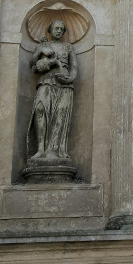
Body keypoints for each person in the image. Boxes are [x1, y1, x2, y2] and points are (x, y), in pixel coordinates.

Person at [28, 19, 77, 161]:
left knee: (59, 118)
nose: (59, 30)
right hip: (46, 81)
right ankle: (40, 149)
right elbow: (32, 65)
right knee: (40, 109)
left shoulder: (68, 47)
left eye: (62, 29)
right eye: (56, 28)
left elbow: (74, 67)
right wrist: (40, 51)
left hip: (64, 85)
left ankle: (56, 151)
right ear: (50, 30)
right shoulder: (43, 45)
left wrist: (70, 78)